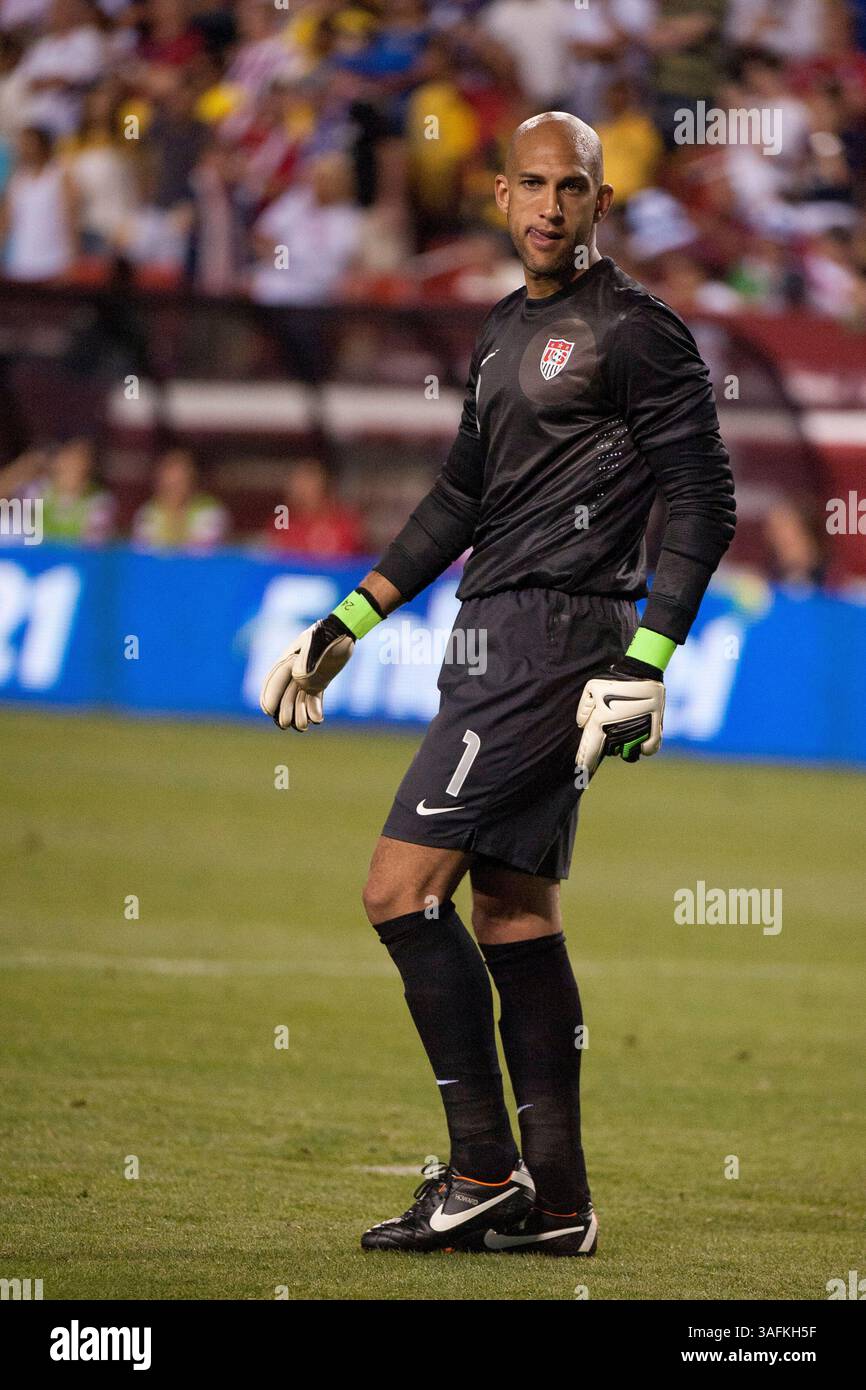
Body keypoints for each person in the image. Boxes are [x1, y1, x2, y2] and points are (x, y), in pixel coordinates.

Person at [260, 110, 735, 1256]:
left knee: (395, 889)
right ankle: (555, 1203)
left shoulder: (636, 332)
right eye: (527, 184)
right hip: (495, 633)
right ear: (497, 194)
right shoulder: (495, 333)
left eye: (568, 188)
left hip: (548, 646)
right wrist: (351, 617)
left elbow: (704, 499)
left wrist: (648, 657)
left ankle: (480, 1167)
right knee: (512, 910)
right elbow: (458, 502)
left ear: (597, 204)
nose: (545, 206)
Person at [262, 457, 362, 558]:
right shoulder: (282, 522)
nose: (300, 489)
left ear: (324, 485)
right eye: (296, 482)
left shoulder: (344, 524)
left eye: (307, 482)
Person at [132, 446, 228, 552]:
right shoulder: (149, 513)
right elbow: (145, 551)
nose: (173, 490)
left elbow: (201, 553)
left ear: (192, 480)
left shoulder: (208, 510)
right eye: (169, 485)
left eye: (180, 482)